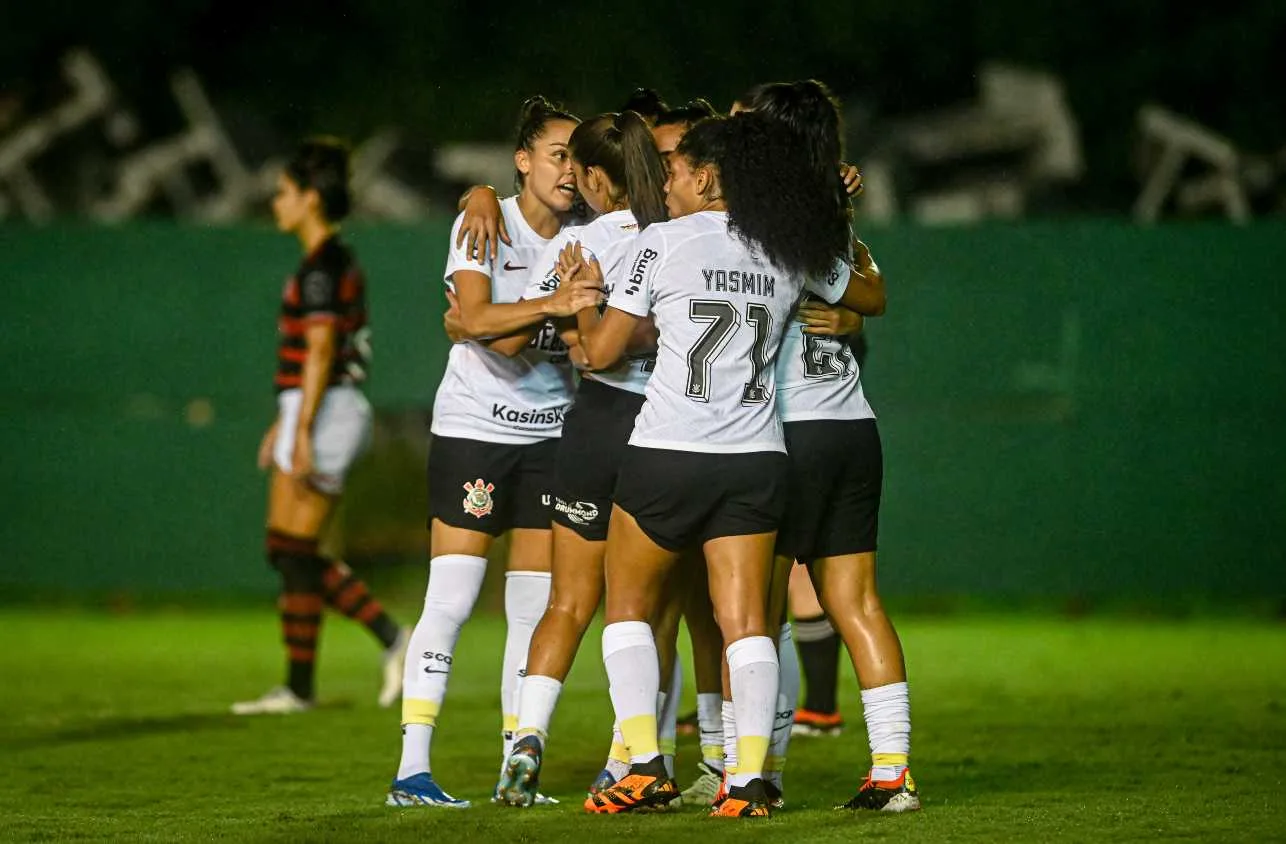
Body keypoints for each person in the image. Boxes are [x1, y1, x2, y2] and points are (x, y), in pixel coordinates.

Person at [569, 111, 867, 818]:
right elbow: (864, 290)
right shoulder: (787, 245)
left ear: (706, 176)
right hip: (756, 457)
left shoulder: (662, 241)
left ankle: (643, 765)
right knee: (746, 624)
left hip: (669, 451)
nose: (663, 182)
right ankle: (749, 779)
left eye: (674, 170)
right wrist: (851, 314)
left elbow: (606, 352)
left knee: (630, 607)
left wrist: (584, 302)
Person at [386, 97, 592, 809]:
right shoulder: (482, 220)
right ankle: (412, 768)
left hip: (550, 437)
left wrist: (529, 314)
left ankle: (516, 763)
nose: (569, 168)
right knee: (452, 598)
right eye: (557, 153)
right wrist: (554, 305)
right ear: (522, 160)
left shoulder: (589, 234)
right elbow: (480, 326)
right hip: (476, 429)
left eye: (577, 156)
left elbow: (490, 327)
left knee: (531, 610)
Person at [740, 79, 919, 813]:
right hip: (853, 427)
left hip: (791, 431)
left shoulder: (762, 222)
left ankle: (759, 772)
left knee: (758, 610)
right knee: (858, 603)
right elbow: (869, 290)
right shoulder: (825, 217)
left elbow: (864, 299)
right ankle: (892, 773)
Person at [487, 110, 669, 808]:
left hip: (594, 423)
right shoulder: (675, 238)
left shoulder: (579, 241)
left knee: (567, 601)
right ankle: (630, 758)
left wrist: (567, 310)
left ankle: (526, 740)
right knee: (646, 611)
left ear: (595, 177)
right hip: (663, 429)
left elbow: (520, 338)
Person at [233, 138, 409, 716]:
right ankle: (300, 686)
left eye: (284, 192)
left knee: (296, 550)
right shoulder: (324, 263)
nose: (276, 202)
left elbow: (319, 350)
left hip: (327, 409)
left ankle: (389, 638)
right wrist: (284, 423)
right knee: (288, 551)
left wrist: (301, 428)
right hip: (313, 408)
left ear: (311, 198)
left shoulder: (323, 267)